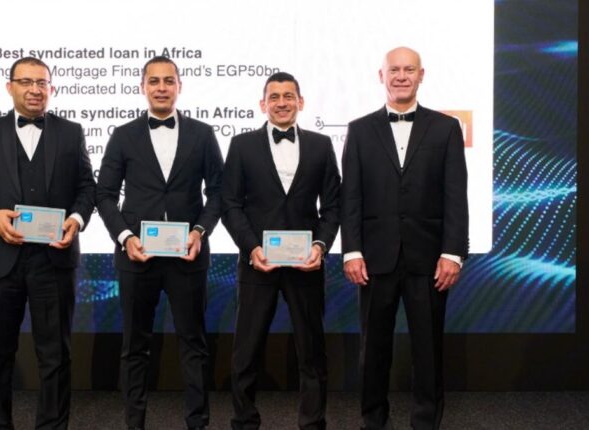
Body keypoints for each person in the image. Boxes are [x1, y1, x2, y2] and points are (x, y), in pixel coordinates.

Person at [0, 57, 95, 429]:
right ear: (9, 86)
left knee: (55, 357)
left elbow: (87, 188)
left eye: (41, 83)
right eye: (26, 82)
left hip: (53, 261)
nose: (34, 90)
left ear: (51, 88)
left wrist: (76, 220)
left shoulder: (71, 132)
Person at [341, 47, 469, 430]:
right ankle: (373, 421)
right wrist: (351, 251)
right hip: (374, 258)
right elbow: (351, 197)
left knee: (428, 349)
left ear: (421, 75)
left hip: (429, 259)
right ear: (381, 75)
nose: (401, 76)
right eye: (394, 69)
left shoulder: (446, 128)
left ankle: (425, 422)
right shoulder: (359, 130)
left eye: (408, 69)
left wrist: (453, 253)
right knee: (373, 349)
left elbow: (455, 195)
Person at [95, 56, 223, 430]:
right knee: (135, 347)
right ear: (143, 87)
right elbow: (105, 195)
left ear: (179, 86)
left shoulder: (203, 134)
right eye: (154, 81)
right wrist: (125, 237)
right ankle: (134, 424)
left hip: (188, 257)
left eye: (169, 80)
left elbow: (218, 193)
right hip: (137, 258)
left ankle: (197, 423)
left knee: (194, 345)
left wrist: (199, 232)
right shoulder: (123, 135)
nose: (162, 87)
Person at [221, 72, 341, 430]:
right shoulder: (242, 145)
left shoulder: (321, 145)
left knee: (312, 352)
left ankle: (313, 423)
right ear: (263, 104)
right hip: (257, 264)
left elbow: (332, 206)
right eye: (274, 97)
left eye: (289, 96)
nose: (282, 102)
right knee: (246, 352)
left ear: (300, 102)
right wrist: (252, 247)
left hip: (307, 265)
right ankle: (244, 422)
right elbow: (230, 205)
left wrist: (320, 245)